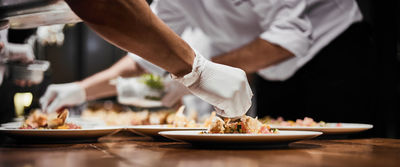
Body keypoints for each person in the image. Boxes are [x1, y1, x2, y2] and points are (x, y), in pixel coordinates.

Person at [62, 0, 373, 124]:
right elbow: (147, 53)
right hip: (271, 69)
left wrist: (197, 73)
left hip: (334, 50)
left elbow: (288, 38)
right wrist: (79, 91)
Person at [40, 28, 213, 115]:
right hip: (196, 119)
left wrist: (200, 75)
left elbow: (242, 54)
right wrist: (81, 90)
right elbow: (141, 61)